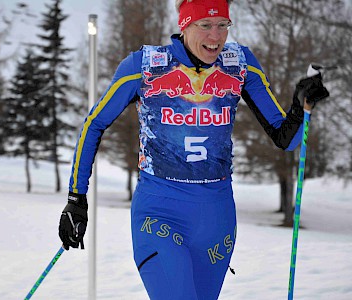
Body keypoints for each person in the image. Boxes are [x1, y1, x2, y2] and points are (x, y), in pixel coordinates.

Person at [58, 0, 329, 299]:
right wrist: (76, 198)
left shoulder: (240, 65)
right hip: (160, 212)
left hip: (217, 217)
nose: (215, 37)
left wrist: (300, 105)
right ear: (184, 25)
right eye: (205, 25)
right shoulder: (144, 66)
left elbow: (285, 138)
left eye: (223, 25)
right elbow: (94, 124)